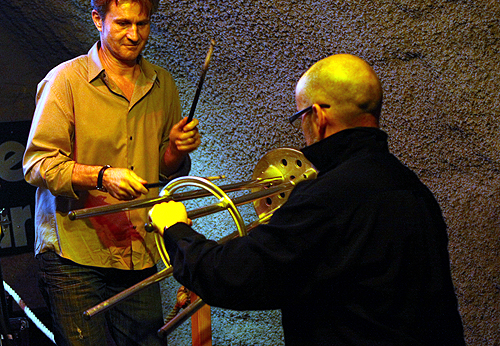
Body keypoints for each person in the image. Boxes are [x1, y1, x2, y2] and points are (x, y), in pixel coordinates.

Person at [148, 54, 466, 345]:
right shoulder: (413, 189)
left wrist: (176, 229)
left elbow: (233, 276)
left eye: (300, 115)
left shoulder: (328, 197)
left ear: (316, 116)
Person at [22, 0, 201, 345]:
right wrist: (102, 177)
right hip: (75, 254)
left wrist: (176, 151)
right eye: (122, 23)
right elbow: (37, 164)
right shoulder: (65, 80)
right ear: (97, 20)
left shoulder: (163, 84)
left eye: (142, 23)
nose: (134, 35)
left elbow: (165, 169)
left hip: (138, 250)